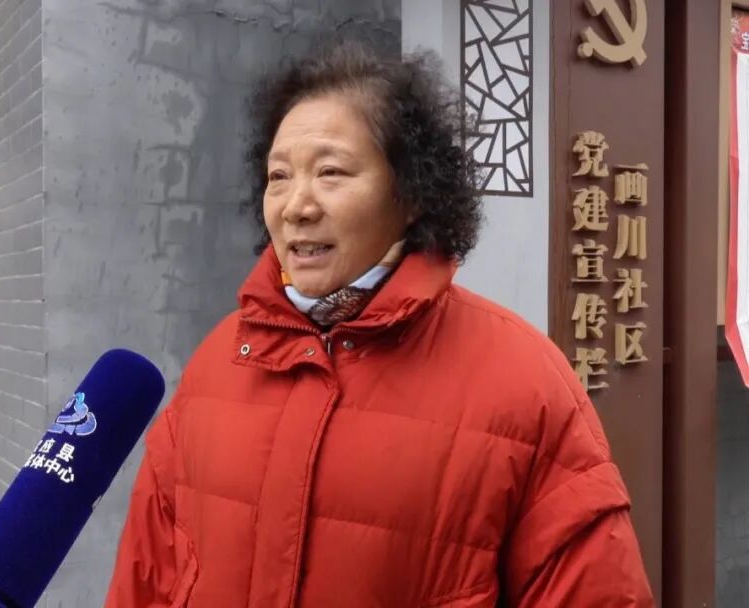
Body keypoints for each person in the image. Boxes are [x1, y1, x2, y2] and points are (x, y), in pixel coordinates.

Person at [105, 43, 653, 607]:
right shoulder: (216, 363)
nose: (296, 206)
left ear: (410, 193)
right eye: (279, 176)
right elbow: (146, 580)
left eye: (331, 172)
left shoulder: (525, 383)